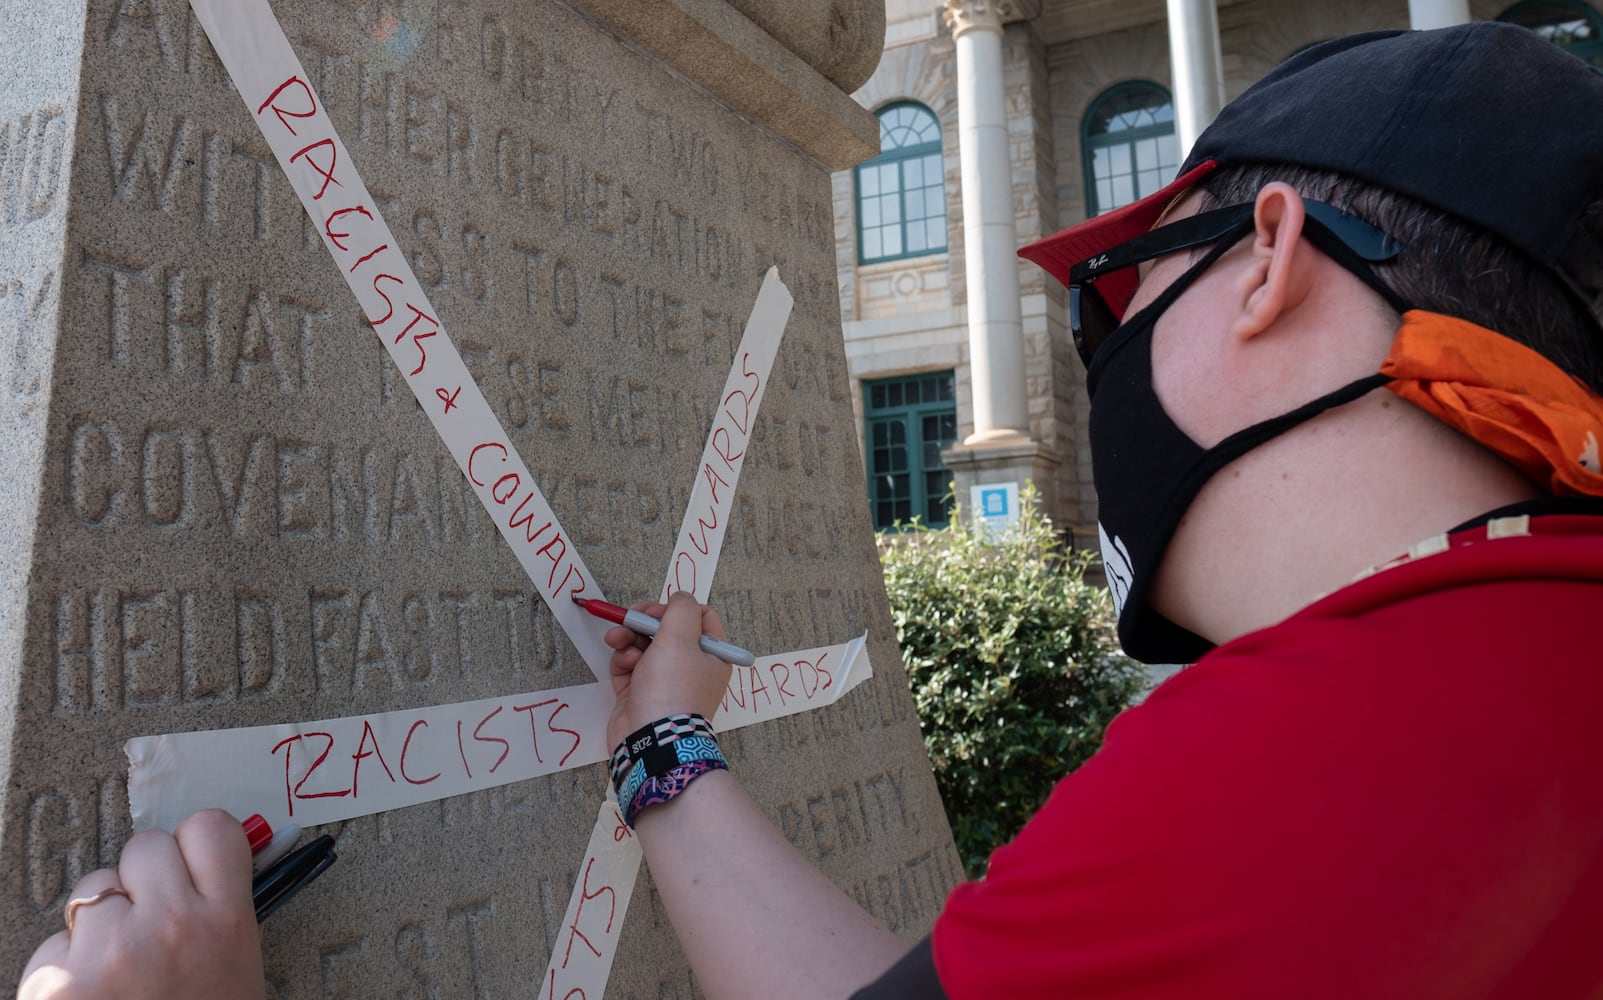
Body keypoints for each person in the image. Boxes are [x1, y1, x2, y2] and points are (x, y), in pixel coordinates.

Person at [21, 21, 1603, 1000]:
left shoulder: (1318, 757)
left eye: (1123, 289)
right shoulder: (1512, 675)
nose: (1105, 352)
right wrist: (663, 753)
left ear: (1264, 265)